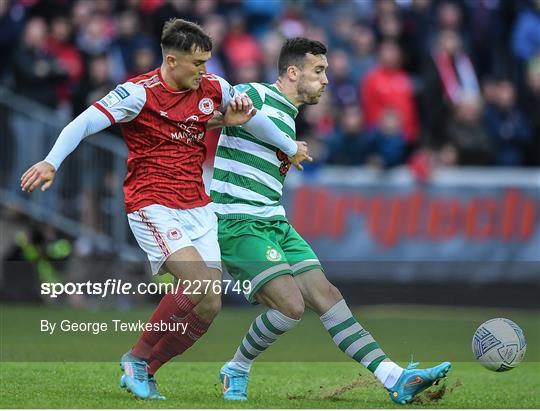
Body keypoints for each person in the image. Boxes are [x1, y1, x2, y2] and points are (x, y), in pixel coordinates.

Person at [147, 37, 451, 405]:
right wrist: (222, 116)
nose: (325, 80)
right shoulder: (253, 94)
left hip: (275, 222)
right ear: (293, 72)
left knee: (328, 296)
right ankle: (236, 367)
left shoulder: (288, 115)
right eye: (318, 71)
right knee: (290, 306)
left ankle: (395, 377)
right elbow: (199, 115)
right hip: (237, 223)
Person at [20, 18, 310, 400]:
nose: (205, 70)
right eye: (198, 63)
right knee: (199, 284)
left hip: (198, 205)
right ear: (172, 61)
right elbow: (83, 124)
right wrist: (51, 162)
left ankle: (147, 370)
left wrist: (284, 145)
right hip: (152, 203)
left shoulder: (213, 88)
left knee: (209, 304)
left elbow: (252, 119)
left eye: (208, 61)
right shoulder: (138, 93)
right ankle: (136, 358)